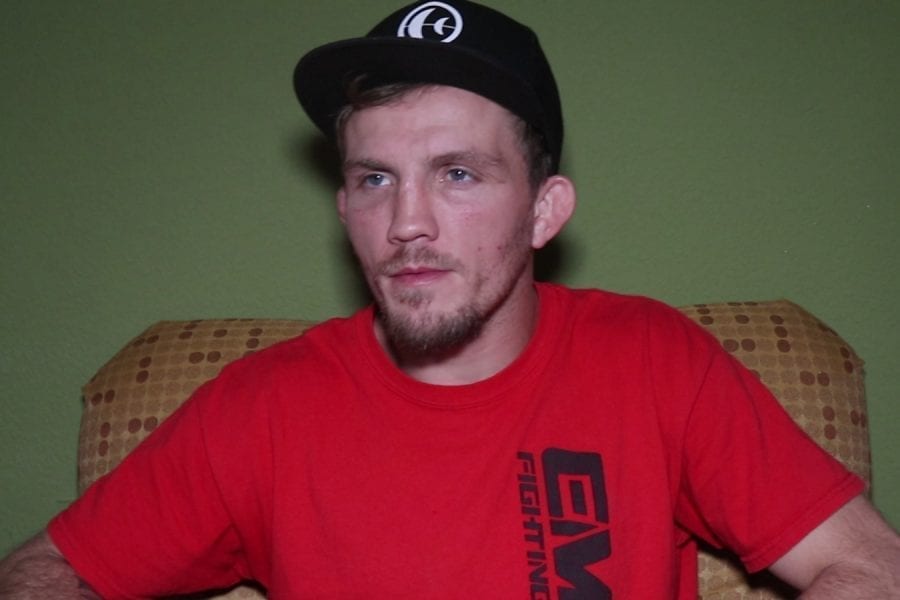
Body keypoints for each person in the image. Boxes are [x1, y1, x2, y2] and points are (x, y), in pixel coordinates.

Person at [1, 1, 898, 598]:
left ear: (544, 210)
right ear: (345, 206)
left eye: (458, 174)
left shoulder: (654, 362)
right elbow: (42, 570)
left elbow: (869, 567)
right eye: (375, 178)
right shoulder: (262, 406)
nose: (406, 223)